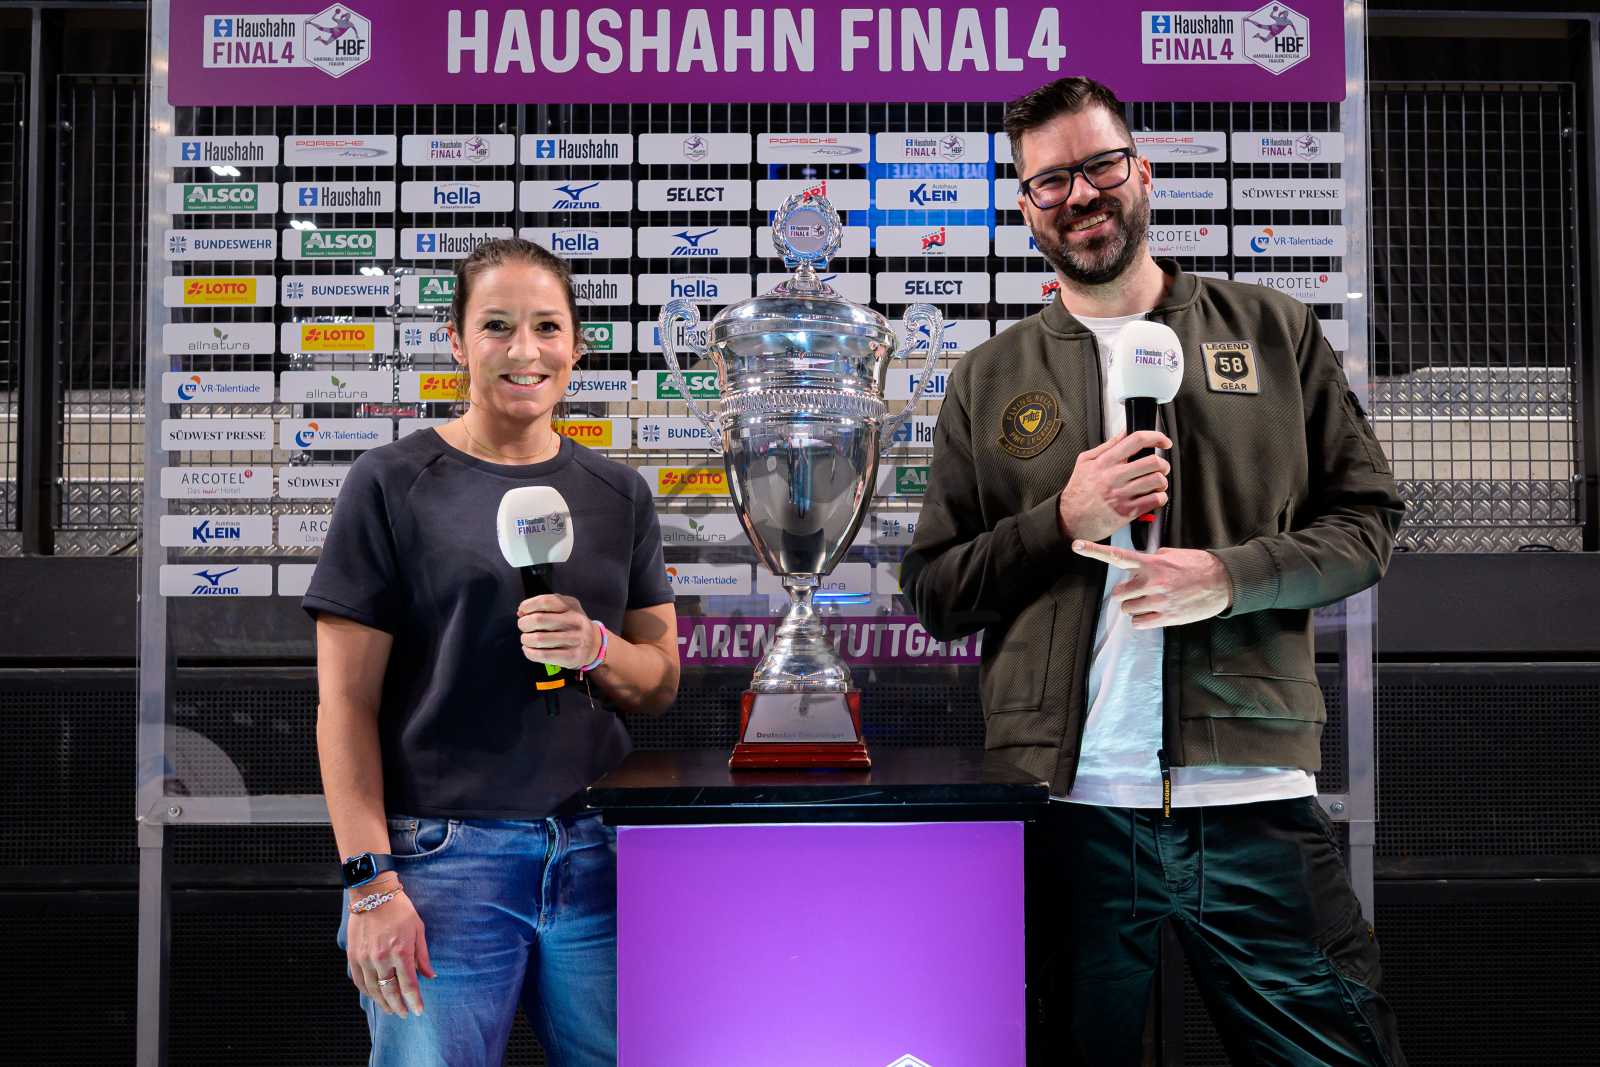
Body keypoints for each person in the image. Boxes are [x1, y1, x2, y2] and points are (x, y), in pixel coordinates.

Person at [902, 77, 1407, 1065]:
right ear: (1026, 208)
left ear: (1140, 171)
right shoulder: (989, 377)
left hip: (1253, 798)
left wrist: (1229, 576)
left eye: (1098, 166)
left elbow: (1367, 523)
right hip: (1068, 810)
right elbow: (935, 592)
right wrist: (1062, 519)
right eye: (1051, 182)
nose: (1080, 195)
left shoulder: (1272, 330)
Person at [306, 237, 680, 1066]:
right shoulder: (390, 482)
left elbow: (659, 682)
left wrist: (596, 646)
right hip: (439, 861)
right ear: (456, 340)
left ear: (577, 346)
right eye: (497, 325)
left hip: (598, 850)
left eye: (547, 326)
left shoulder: (619, 494)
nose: (524, 350)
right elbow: (345, 705)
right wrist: (369, 882)